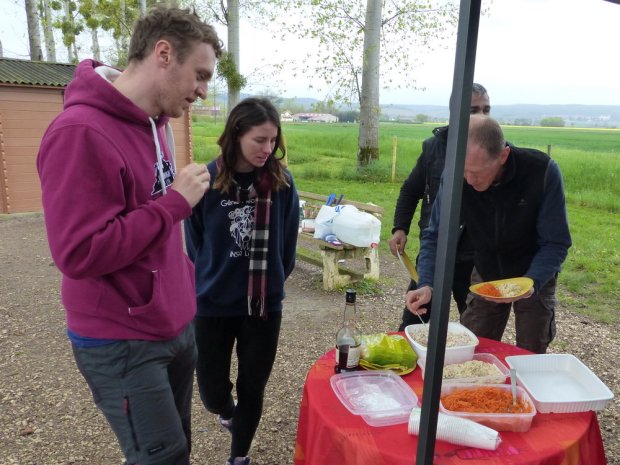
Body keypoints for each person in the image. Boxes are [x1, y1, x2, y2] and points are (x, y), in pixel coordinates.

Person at [36, 7, 222, 464]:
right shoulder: (80, 131)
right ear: (163, 54)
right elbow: (79, 252)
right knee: (160, 456)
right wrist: (175, 203)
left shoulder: (157, 122)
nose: (202, 90)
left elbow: (150, 218)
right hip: (120, 338)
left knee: (177, 448)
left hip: (172, 323)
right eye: (199, 75)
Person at [184, 97, 299, 465]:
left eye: (272, 140)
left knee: (254, 385)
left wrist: (269, 284)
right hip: (213, 303)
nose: (267, 149)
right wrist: (220, 273)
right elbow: (196, 243)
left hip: (264, 306)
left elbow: (287, 246)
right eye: (259, 140)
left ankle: (239, 456)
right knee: (211, 391)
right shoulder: (206, 181)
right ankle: (227, 412)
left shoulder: (282, 182)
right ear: (236, 135)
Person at [406, 114, 571, 354]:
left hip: (534, 270)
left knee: (532, 349)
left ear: (503, 156)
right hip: (487, 271)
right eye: (464, 172)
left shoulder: (541, 171)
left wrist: (533, 281)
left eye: (477, 172)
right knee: (472, 346)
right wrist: (427, 283)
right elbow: (436, 235)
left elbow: (556, 242)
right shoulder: (456, 175)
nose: (469, 181)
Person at [389, 83, 491, 330]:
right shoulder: (434, 147)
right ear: (454, 112)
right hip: (436, 251)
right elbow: (410, 190)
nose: (482, 116)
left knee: (474, 330)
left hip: (474, 257)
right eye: (473, 110)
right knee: (415, 322)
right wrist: (400, 228)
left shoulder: (495, 150)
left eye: (486, 110)